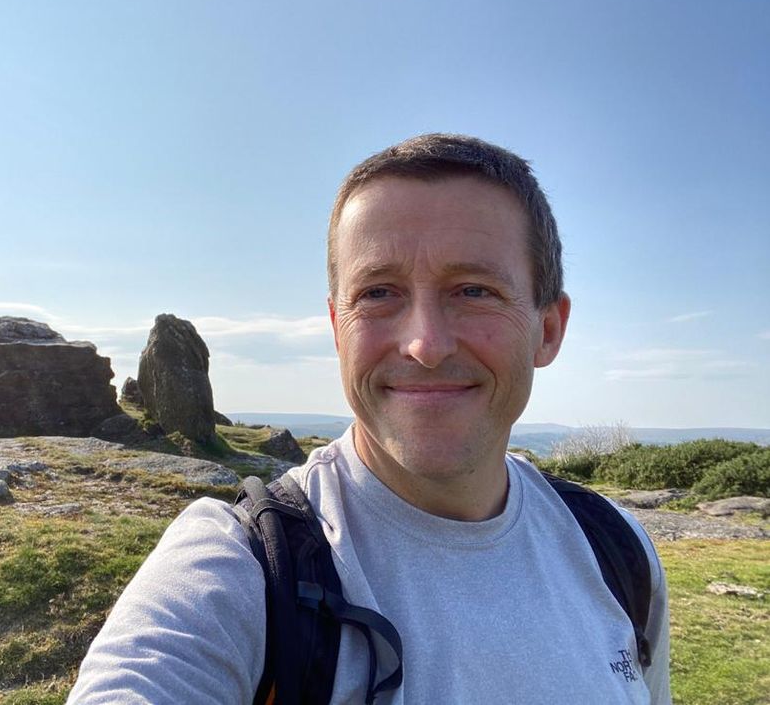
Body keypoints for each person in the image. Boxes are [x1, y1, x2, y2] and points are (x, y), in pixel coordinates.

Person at [67, 134, 671, 704]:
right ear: (338, 329)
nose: (425, 346)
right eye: (379, 293)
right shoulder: (240, 565)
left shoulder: (616, 550)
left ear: (548, 329)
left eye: (474, 290)